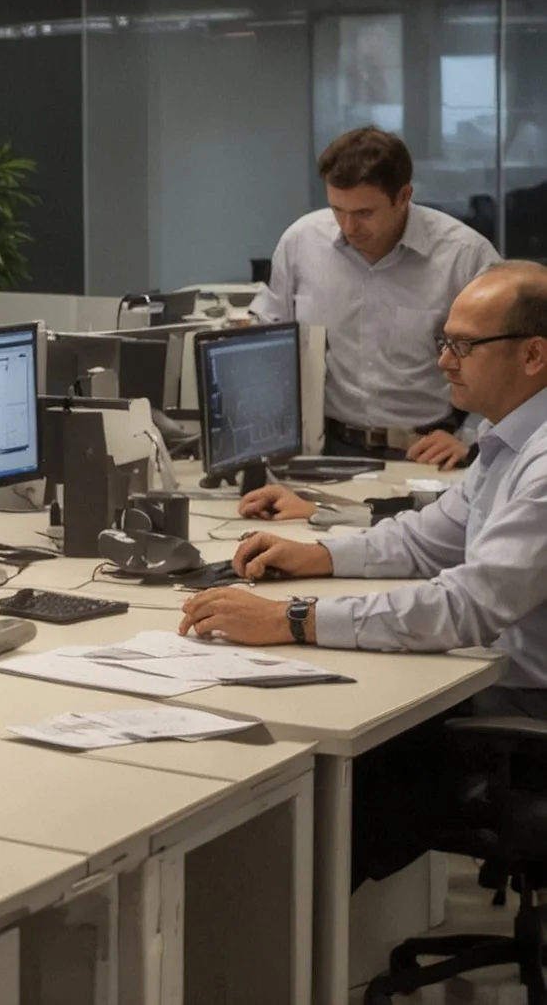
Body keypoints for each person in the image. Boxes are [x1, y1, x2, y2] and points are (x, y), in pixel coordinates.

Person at [180, 260, 547, 886]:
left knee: (326, 775)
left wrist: (291, 620)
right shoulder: (507, 437)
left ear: (533, 354)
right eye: (444, 342)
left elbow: (468, 604)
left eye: (463, 345)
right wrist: (320, 555)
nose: (444, 362)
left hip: (529, 710)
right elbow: (432, 538)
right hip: (506, 680)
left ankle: (292, 960)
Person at [249, 126, 498, 478]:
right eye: (337, 209)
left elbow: (509, 363)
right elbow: (268, 342)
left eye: (364, 213)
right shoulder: (301, 242)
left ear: (404, 196)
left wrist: (471, 436)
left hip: (427, 453)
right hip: (328, 450)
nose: (349, 226)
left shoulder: (464, 256)